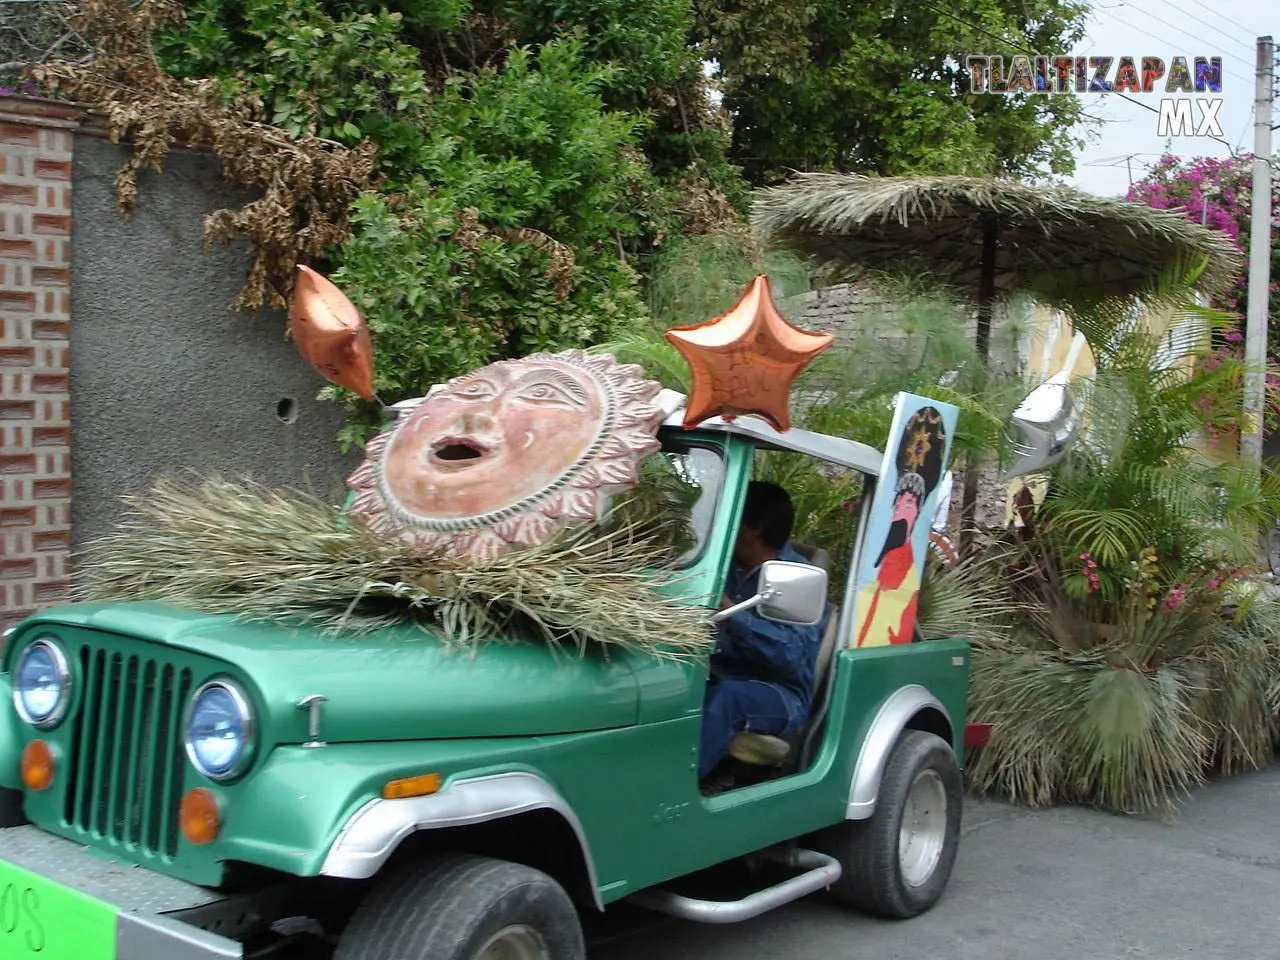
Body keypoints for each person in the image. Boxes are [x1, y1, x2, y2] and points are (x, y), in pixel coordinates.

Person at [699, 481, 828, 781]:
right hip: (713, 674)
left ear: (754, 528)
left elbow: (792, 657)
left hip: (779, 693)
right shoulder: (721, 564)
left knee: (729, 699)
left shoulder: (799, 578)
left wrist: (733, 615)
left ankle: (676, 791)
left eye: (730, 517)